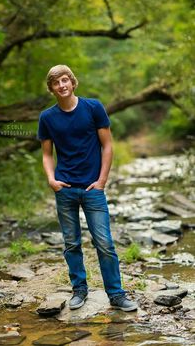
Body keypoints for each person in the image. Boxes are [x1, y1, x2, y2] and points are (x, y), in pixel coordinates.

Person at [37, 65, 138, 312]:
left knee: (104, 243)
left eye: (64, 80)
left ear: (72, 82)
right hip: (65, 189)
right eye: (56, 83)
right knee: (71, 244)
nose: (61, 86)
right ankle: (79, 291)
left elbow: (107, 146)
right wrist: (51, 179)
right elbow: (47, 154)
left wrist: (102, 181)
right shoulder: (47, 117)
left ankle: (116, 294)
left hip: (93, 188)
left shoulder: (93, 107)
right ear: (51, 88)